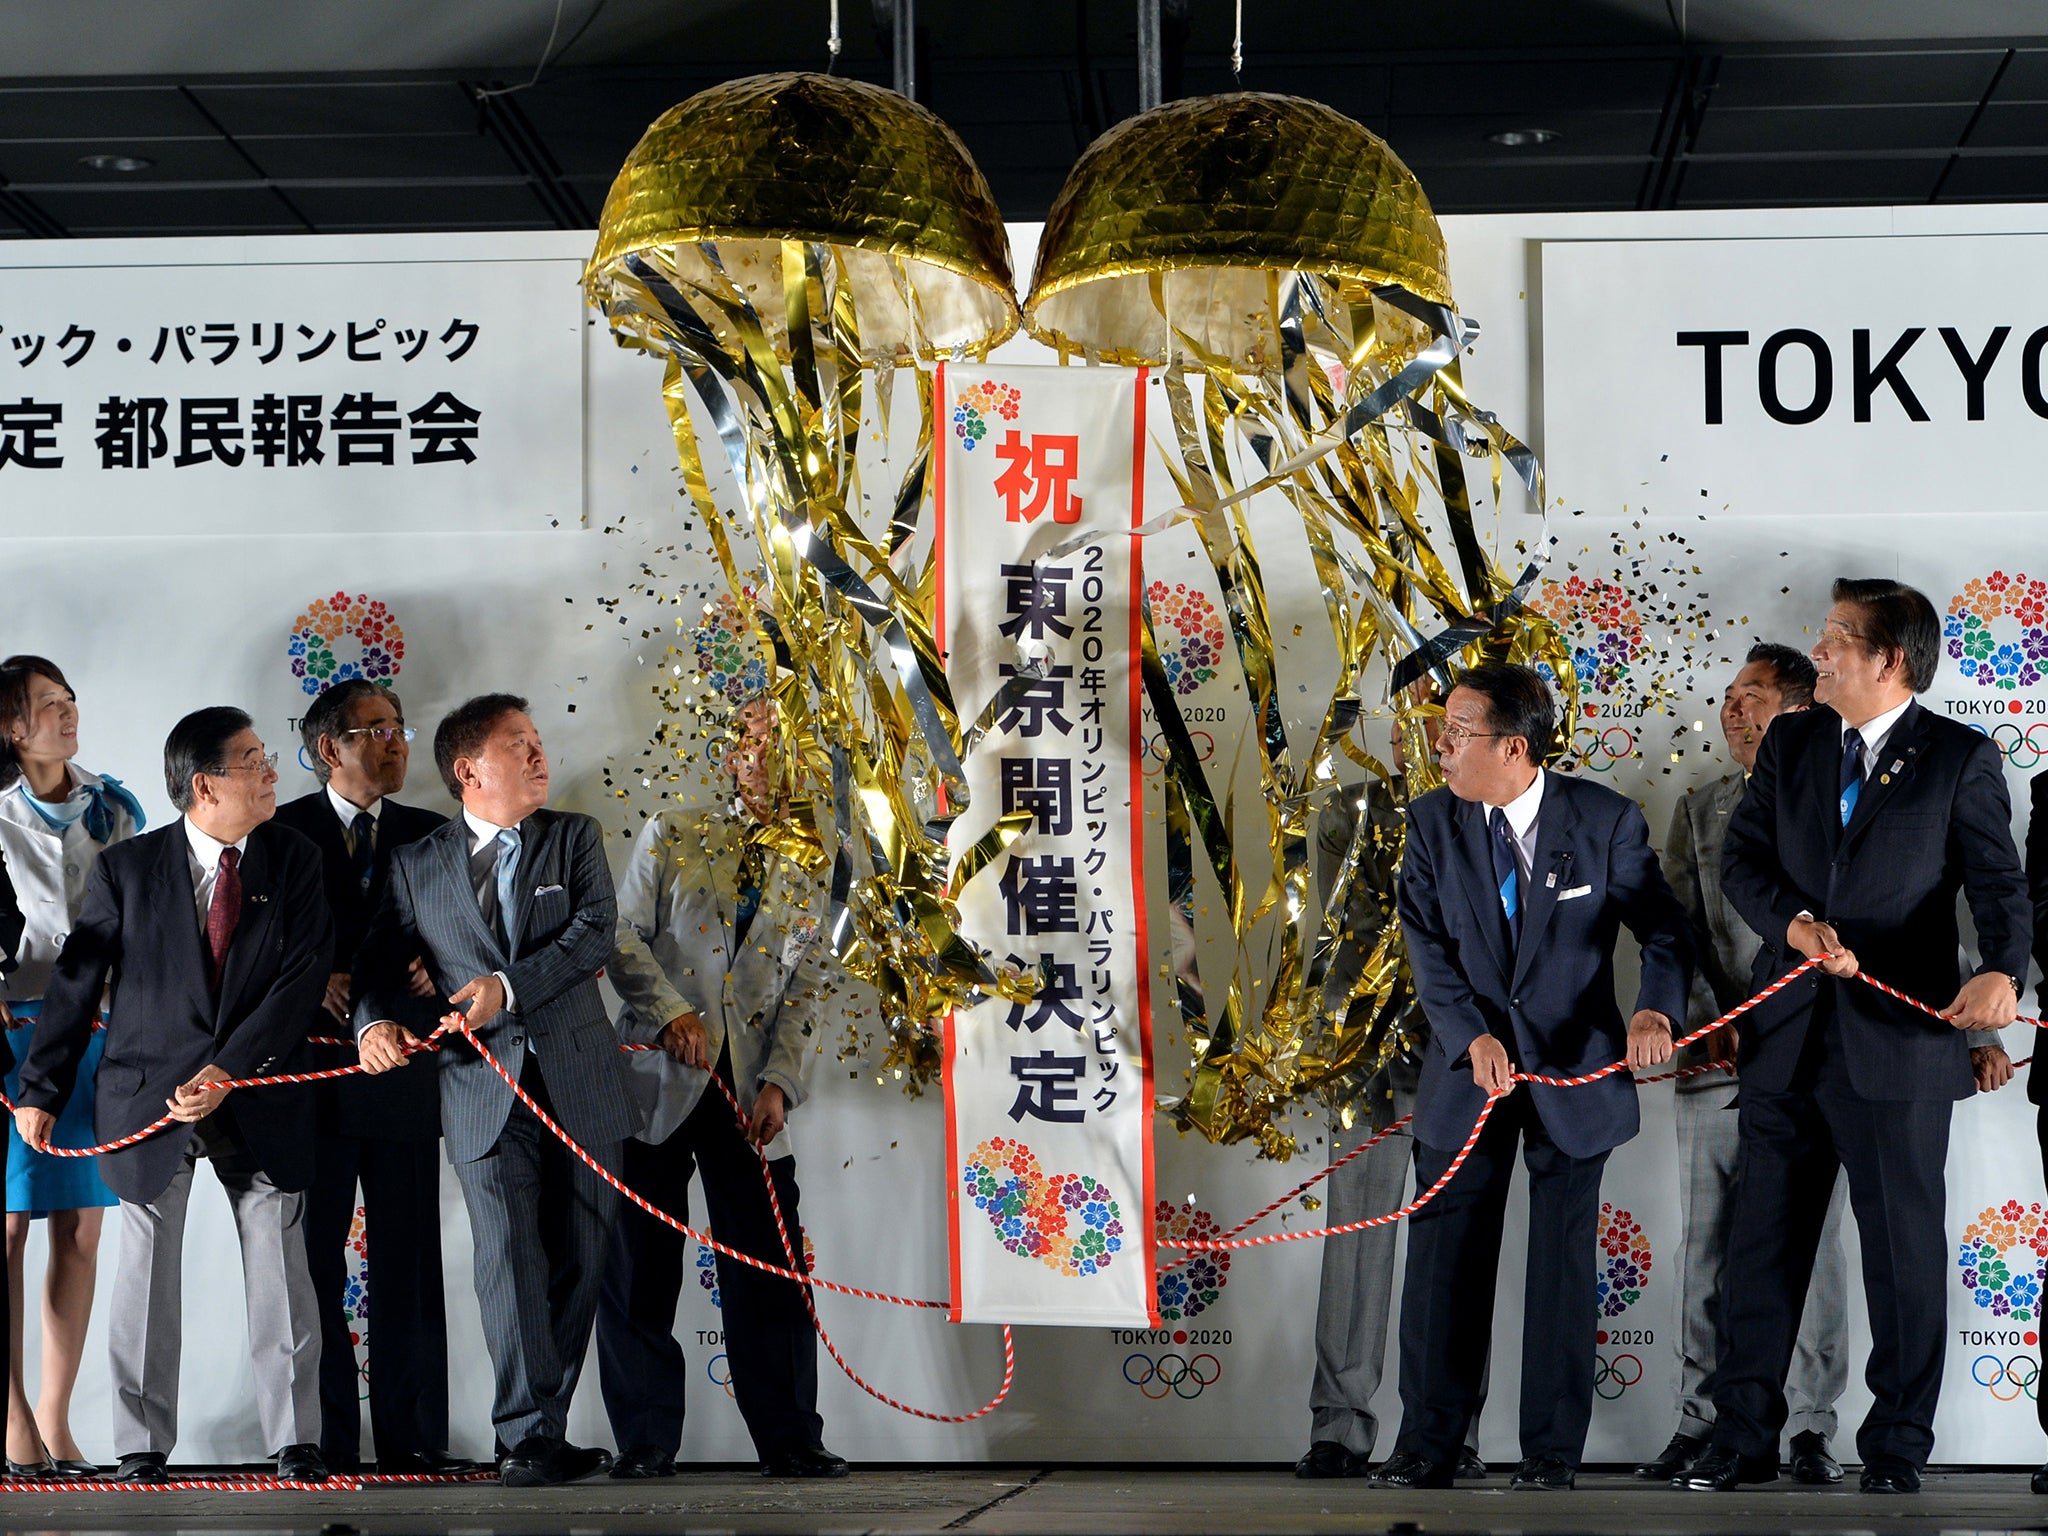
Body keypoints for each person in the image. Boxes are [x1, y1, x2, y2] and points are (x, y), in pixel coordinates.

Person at [1687, 578, 2027, 1497]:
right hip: (1785, 1034)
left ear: (1890, 659)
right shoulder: (1794, 741)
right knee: (1761, 1247)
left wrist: (2004, 970)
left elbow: (2000, 887)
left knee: (1903, 1253)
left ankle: (1897, 1445)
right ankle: (1744, 1436)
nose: (1822, 650)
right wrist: (1791, 926)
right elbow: (1745, 862)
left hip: (1901, 1042)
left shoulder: (1960, 757)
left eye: (1839, 637)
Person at [1368, 661, 1691, 1493]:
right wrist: (1470, 1034)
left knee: (1559, 1268)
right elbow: (1427, 947)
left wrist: (1656, 1010)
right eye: (1442, 731)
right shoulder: (1434, 822)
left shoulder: (1605, 820)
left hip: (1574, 1074)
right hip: (1465, 1078)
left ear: (1514, 747)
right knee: (1443, 1264)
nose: (1440, 746)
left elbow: (1664, 932)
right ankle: (1429, 1445)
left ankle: (1552, 1453)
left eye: (1458, 733)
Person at [14, 707, 332, 1485]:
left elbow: (301, 981)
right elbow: (78, 983)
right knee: (147, 1273)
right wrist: (41, 1088)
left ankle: (296, 1441)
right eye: (254, 761)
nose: (271, 773)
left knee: (279, 1264)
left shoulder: (294, 859)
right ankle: (141, 1446)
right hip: (148, 1099)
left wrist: (226, 1069)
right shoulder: (129, 868)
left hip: (256, 1087)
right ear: (204, 784)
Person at [352, 694, 639, 1488]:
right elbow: (378, 959)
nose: (541, 754)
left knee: (580, 1260)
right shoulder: (417, 865)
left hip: (582, 1083)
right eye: (521, 744)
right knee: (506, 1259)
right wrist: (373, 1024)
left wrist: (506, 988)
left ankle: (540, 1422)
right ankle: (527, 1438)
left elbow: (592, 937)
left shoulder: (573, 838)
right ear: (469, 769)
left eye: (539, 741)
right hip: (480, 1089)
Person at [596, 698, 846, 1480]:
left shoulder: (824, 857)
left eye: (788, 747)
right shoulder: (674, 830)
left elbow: (812, 981)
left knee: (768, 1271)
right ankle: (644, 1440)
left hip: (751, 1100)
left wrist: (780, 1082)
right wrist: (668, 1012)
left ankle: (791, 1439)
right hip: (653, 1080)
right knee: (638, 1268)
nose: (769, 760)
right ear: (734, 756)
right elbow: (619, 934)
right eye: (757, 745)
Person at [1639, 644, 1850, 1487]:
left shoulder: (1842, 795)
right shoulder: (1699, 807)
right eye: (1728, 697)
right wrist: (1704, 1022)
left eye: (1752, 697)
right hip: (1720, 1058)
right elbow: (1678, 927)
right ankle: (1704, 1420)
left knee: (1811, 1248)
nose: (1733, 711)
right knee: (1708, 1249)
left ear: (1801, 709)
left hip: (1812, 1061)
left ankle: (1809, 1426)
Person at [273, 680, 474, 1478]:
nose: (396, 742)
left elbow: (475, 933)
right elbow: (246, 944)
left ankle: (416, 1435)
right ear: (331, 747)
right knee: (315, 1261)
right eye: (378, 730)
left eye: (400, 727)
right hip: (307, 1078)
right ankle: (317, 1439)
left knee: (408, 1257)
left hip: (404, 1073)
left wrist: (443, 963)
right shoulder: (277, 830)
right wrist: (311, 976)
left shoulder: (435, 835)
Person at [1296, 742, 1485, 1482]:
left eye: (1451, 716)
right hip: (1367, 1056)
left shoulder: (1499, 808)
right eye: (1420, 720)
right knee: (1355, 1244)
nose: (1435, 736)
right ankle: (1338, 1427)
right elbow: (1344, 927)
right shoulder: (1350, 810)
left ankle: (1450, 1432)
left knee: (1457, 1250)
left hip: (1465, 1055)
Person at [0, 656, 143, 1477]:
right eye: (47, 706)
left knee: (82, 1229)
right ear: (12, 729)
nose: (67, 713)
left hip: (98, 1030)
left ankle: (54, 1415)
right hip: (15, 1030)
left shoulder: (113, 805)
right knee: (8, 1227)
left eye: (69, 699)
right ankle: (12, 1416)